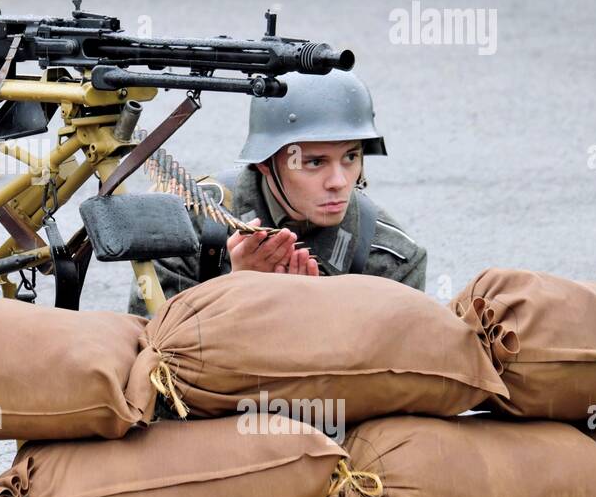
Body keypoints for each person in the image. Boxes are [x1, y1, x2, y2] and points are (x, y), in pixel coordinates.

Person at [130, 69, 426, 315]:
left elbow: (399, 376)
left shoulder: (392, 259)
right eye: (314, 162)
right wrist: (234, 290)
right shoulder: (188, 227)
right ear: (265, 163)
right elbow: (151, 353)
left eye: (350, 157)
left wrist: (319, 314)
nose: (338, 181)